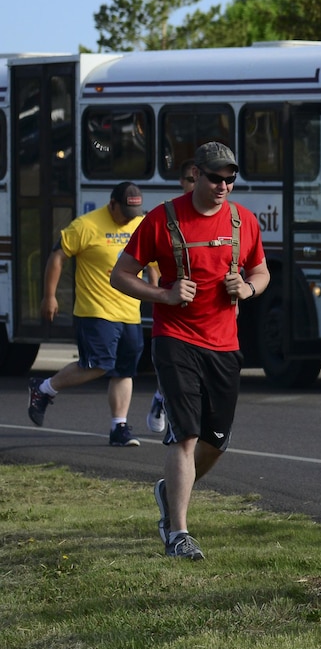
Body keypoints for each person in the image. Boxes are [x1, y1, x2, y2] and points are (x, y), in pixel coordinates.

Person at [110, 143, 270, 559]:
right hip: (175, 339)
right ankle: (178, 533)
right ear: (195, 174)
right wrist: (163, 293)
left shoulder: (243, 221)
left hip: (225, 344)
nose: (223, 186)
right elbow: (121, 275)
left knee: (216, 440)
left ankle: (170, 490)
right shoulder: (162, 220)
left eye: (230, 178)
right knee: (186, 435)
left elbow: (261, 269)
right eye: (215, 177)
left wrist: (249, 288)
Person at [28, 181, 149, 446]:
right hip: (95, 309)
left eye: (134, 214)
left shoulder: (139, 224)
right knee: (98, 365)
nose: (128, 220)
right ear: (112, 203)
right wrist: (49, 296)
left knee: (124, 371)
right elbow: (57, 257)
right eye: (124, 214)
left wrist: (160, 291)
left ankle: (119, 428)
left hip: (130, 310)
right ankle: (45, 388)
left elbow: (153, 262)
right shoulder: (85, 225)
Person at [144, 162, 203, 437]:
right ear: (183, 182)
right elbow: (153, 260)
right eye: (192, 181)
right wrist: (161, 293)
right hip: (176, 319)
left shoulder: (226, 219)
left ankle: (160, 399)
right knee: (181, 376)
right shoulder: (168, 217)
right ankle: (172, 417)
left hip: (211, 320)